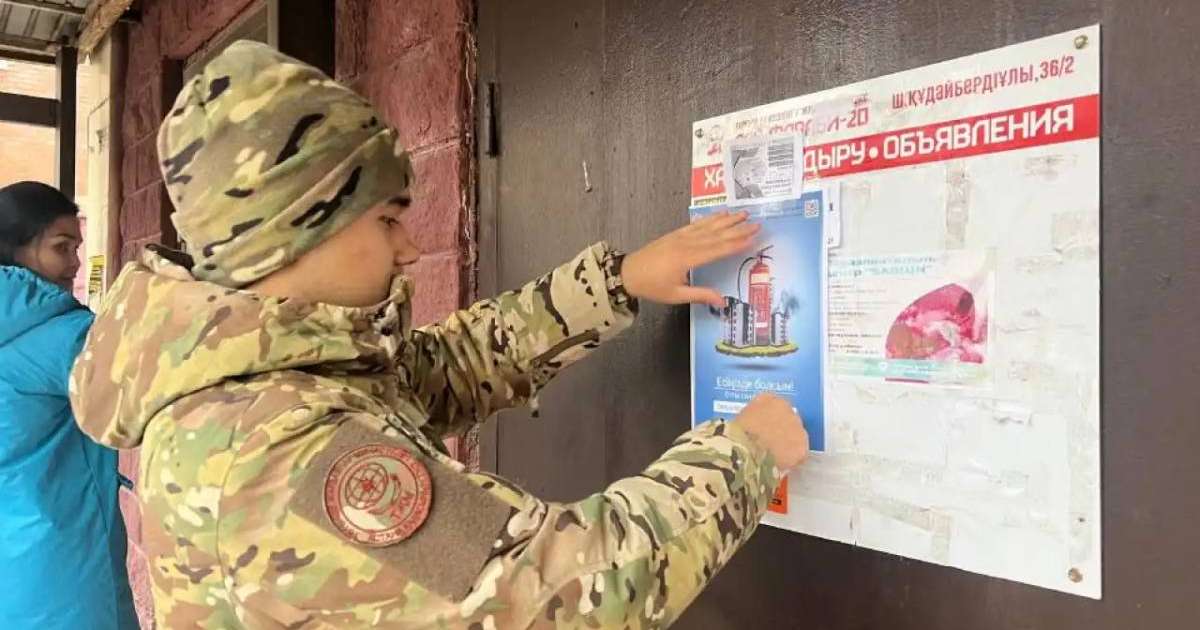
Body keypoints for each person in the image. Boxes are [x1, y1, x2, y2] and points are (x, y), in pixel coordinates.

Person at [70, 42, 809, 629]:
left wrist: (617, 283)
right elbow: (563, 595)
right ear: (289, 238)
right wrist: (743, 458)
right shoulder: (272, 451)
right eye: (386, 219)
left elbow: (440, 368)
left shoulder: (268, 370)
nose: (409, 249)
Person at [0, 181, 137, 629]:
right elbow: (142, 394)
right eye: (62, 247)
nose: (76, 263)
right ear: (14, 246)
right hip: (61, 562)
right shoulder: (64, 336)